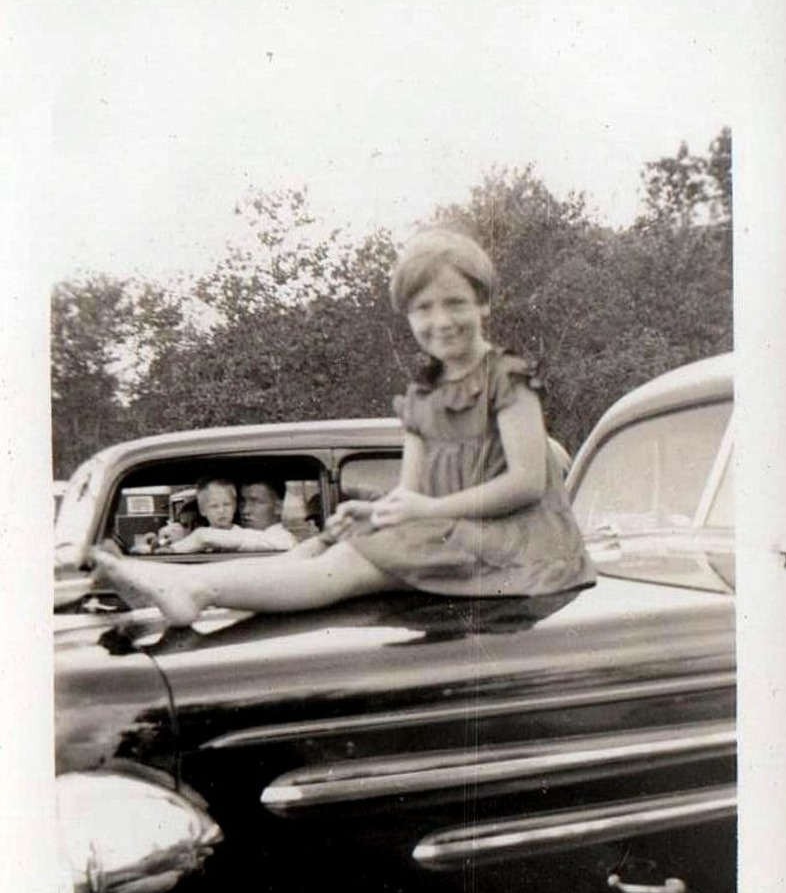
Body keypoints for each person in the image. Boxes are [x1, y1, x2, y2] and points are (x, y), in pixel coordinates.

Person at [92, 228, 595, 627]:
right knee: (321, 543)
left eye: (455, 303)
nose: (441, 320)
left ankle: (200, 589)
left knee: (350, 565)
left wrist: (430, 510)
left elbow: (527, 481)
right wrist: (370, 514)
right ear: (407, 316)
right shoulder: (422, 394)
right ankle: (189, 589)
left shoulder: (507, 378)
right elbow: (409, 495)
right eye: (424, 308)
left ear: (483, 304)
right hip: (464, 536)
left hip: (522, 551)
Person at [164, 478, 298, 554]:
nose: (245, 510)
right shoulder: (237, 535)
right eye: (242, 502)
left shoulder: (283, 539)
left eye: (255, 502)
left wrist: (200, 536)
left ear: (278, 507)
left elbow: (248, 540)